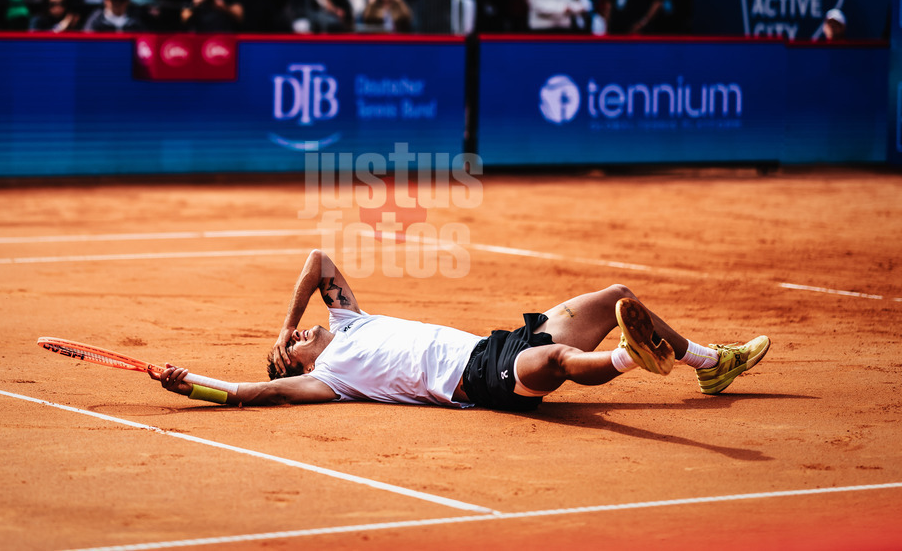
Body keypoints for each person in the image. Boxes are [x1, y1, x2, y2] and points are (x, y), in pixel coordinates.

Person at [156, 250, 771, 409]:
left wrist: (282, 324)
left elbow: (319, 260)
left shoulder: (346, 318)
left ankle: (708, 364)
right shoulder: (327, 379)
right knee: (554, 363)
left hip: (497, 342)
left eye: (292, 340)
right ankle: (632, 359)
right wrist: (194, 385)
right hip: (481, 382)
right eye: (289, 349)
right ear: (297, 367)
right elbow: (247, 394)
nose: (295, 341)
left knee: (615, 293)